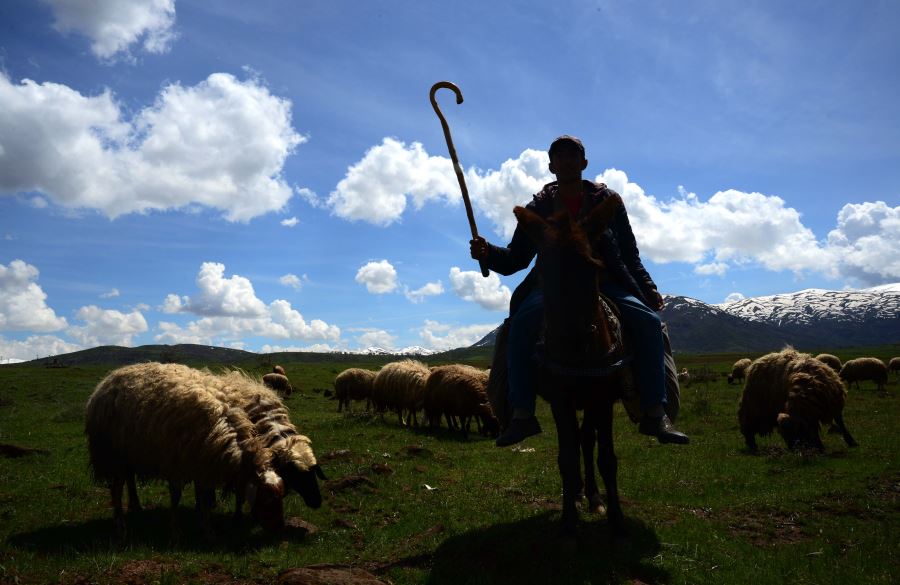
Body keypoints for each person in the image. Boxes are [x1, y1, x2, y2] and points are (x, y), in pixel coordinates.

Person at [470, 135, 689, 447]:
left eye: (573, 155)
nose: (567, 161)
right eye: (560, 156)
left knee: (650, 323)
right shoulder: (540, 207)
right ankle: (521, 414)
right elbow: (516, 259)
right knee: (519, 326)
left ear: (584, 163)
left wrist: (647, 287)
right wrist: (487, 253)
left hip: (606, 279)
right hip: (552, 284)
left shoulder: (606, 201)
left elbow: (629, 252)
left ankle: (656, 411)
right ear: (551, 165)